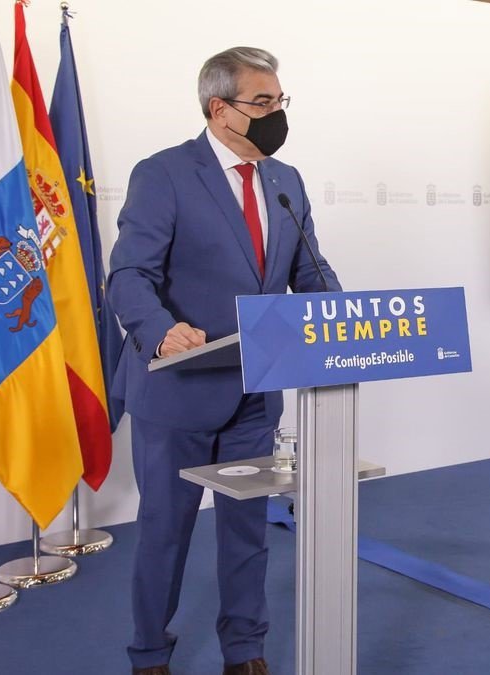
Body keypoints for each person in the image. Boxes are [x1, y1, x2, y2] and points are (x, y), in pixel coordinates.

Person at [108, 46, 340, 675]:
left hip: (255, 390)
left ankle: (244, 649)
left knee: (246, 529)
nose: (277, 114)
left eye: (280, 100)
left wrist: (341, 318)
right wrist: (160, 331)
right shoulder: (164, 174)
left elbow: (310, 272)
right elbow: (129, 274)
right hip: (177, 390)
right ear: (219, 109)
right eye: (262, 102)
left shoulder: (285, 181)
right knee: (166, 531)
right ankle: (149, 652)